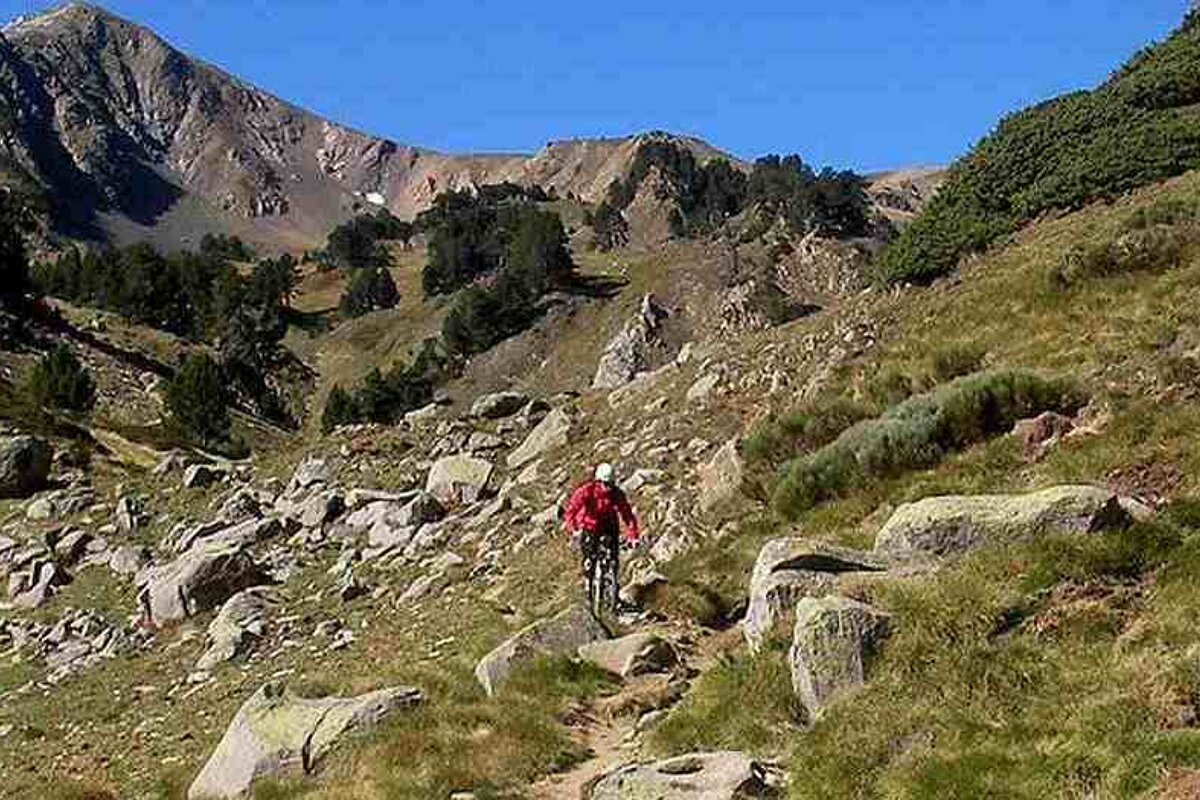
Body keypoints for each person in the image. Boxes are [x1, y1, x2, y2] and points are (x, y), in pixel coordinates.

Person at [562, 463, 641, 612]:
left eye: (610, 484)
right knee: (589, 561)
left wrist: (633, 536)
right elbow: (571, 511)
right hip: (589, 526)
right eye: (605, 484)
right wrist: (574, 530)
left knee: (613, 560)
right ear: (598, 481)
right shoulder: (586, 491)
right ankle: (588, 588)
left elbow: (627, 515)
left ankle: (613, 594)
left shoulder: (616, 494)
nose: (608, 488)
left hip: (609, 526)